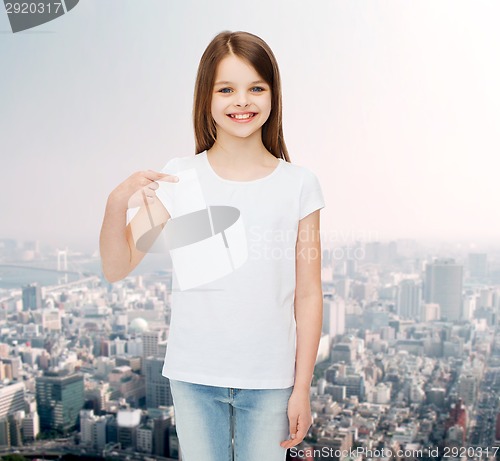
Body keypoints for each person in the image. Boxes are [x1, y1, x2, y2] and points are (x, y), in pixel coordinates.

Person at [99, 30, 325, 461]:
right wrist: (115, 204)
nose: (242, 101)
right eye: (227, 89)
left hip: (271, 379)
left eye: (256, 87)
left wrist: (302, 388)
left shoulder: (299, 185)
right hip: (194, 376)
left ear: (274, 95)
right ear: (207, 98)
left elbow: (309, 293)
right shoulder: (179, 178)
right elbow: (117, 266)